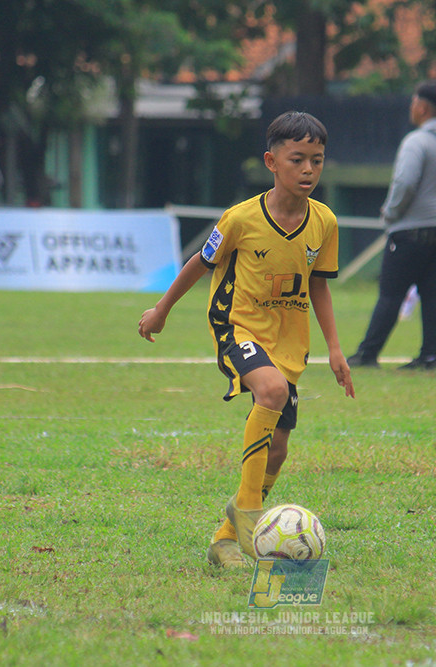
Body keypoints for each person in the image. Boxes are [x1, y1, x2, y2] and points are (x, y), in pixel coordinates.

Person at [138, 111, 355, 569]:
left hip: (289, 341)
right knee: (270, 391)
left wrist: (335, 349)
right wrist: (161, 310)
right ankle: (251, 513)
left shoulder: (324, 222)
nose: (309, 170)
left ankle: (224, 540)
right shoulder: (240, 218)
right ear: (271, 162)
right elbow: (200, 262)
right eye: (297, 159)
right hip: (236, 324)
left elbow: (319, 284)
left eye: (317, 160)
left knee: (278, 449)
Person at [347, 81, 436, 370]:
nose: (412, 107)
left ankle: (367, 354)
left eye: (413, 102)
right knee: (433, 293)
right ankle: (430, 357)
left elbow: (405, 182)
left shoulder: (416, 142)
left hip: (412, 231)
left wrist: (391, 212)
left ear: (422, 108)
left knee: (391, 293)